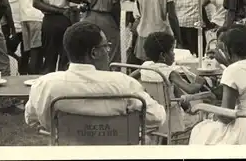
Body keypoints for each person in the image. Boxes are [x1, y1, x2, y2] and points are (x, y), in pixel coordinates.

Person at [24, 21, 166, 132]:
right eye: (106, 46)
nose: (108, 51)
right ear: (94, 53)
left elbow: (31, 119)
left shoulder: (45, 84)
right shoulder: (124, 84)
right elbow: (157, 117)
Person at [134, 32, 209, 135]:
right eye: (172, 51)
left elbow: (129, 78)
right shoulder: (169, 72)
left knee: (172, 88)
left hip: (151, 113)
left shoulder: (144, 67)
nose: (174, 54)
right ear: (163, 55)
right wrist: (199, 82)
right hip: (170, 117)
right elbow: (190, 89)